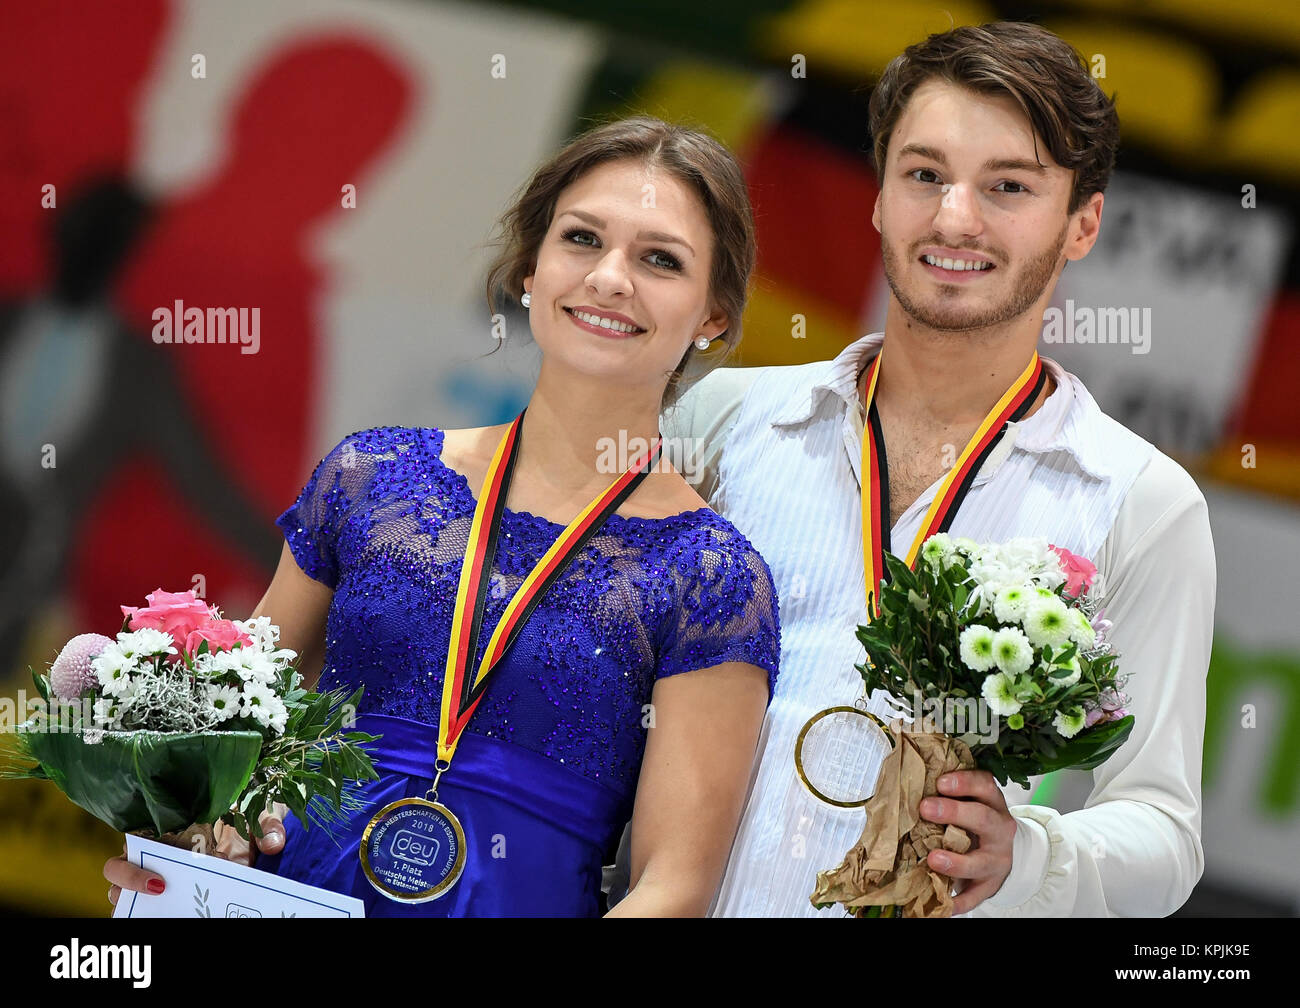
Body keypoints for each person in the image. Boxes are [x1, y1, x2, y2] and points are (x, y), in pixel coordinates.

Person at [104, 116, 780, 917]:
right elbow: (230, 740)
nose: (609, 278)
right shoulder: (373, 475)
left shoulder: (712, 575)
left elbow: (673, 887)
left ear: (713, 316)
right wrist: (179, 841)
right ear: (531, 268)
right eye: (582, 239)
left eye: (660, 259)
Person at [624, 21, 1213, 917]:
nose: (953, 217)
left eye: (1008, 186)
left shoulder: (1140, 500)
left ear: (1083, 222)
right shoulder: (721, 419)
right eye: (924, 174)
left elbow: (1163, 831)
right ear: (879, 194)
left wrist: (1029, 856)